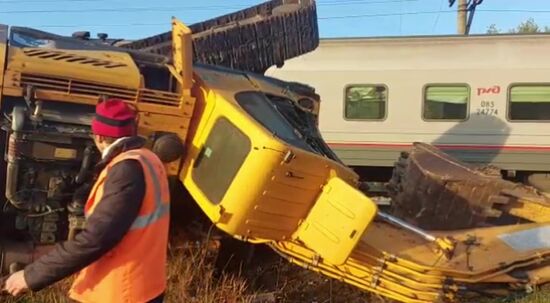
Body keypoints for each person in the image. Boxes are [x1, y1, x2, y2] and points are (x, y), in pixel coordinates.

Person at [4, 99, 170, 303]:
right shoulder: (148, 158)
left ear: (98, 135)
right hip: (146, 286)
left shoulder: (125, 171)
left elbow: (95, 239)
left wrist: (30, 276)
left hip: (117, 292)